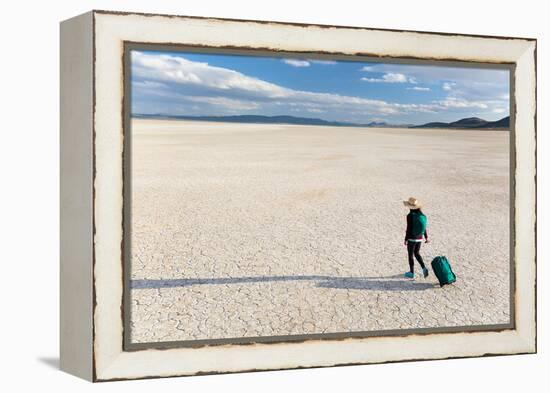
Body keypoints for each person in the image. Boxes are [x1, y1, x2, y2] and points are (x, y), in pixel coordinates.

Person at [402, 197, 430, 279]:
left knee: (410, 255)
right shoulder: (422, 215)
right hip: (420, 238)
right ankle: (424, 268)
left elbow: (409, 228)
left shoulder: (410, 216)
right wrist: (426, 237)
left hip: (412, 238)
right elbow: (424, 227)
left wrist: (406, 239)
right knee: (417, 253)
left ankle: (411, 272)